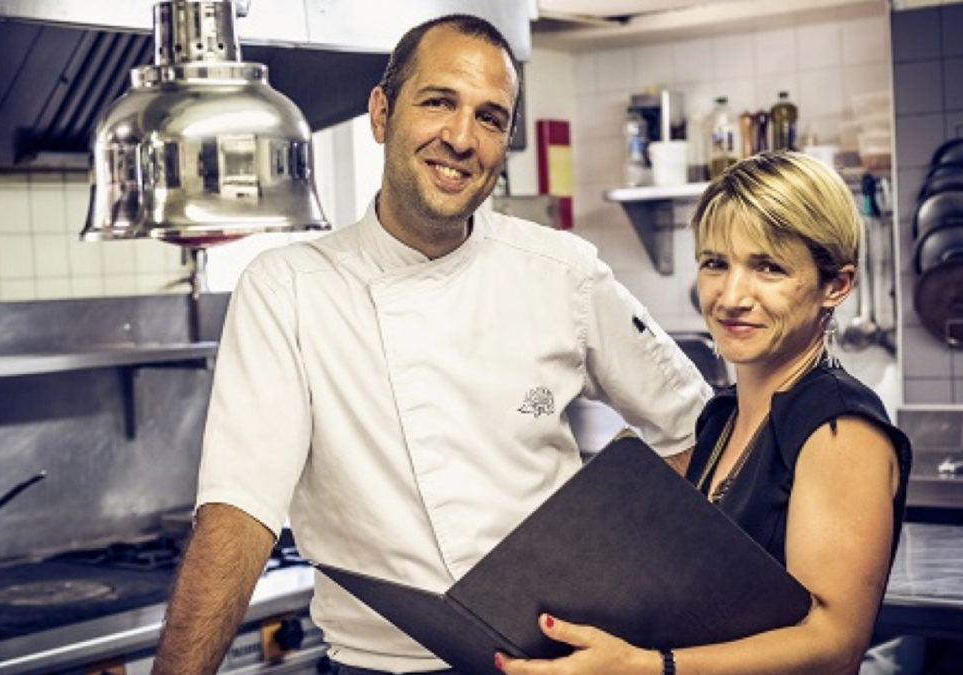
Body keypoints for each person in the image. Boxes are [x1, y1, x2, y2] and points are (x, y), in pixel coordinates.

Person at [151, 13, 712, 675]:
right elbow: (239, 512)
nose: (461, 138)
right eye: (438, 101)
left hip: (552, 662)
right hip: (376, 665)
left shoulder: (564, 271)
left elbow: (690, 427)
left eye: (490, 117)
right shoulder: (288, 288)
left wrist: (624, 590)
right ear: (381, 114)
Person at [497, 151, 912, 675]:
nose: (731, 296)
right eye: (716, 263)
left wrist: (650, 666)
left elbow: (833, 645)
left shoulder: (837, 427)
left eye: (768, 267)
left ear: (837, 284)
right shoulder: (720, 419)